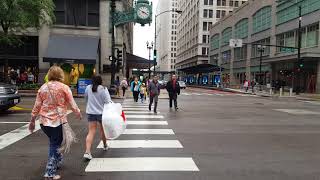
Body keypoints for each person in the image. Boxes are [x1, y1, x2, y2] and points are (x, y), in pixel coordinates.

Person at [28, 66, 82, 180]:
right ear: (60, 75)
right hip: (57, 121)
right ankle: (49, 173)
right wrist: (78, 113)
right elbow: (72, 103)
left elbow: (37, 105)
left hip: (43, 122)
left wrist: (32, 120)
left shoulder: (43, 87)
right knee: (55, 144)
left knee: (55, 142)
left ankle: (57, 160)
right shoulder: (64, 88)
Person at [83, 75, 111, 161]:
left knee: (91, 132)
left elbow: (86, 98)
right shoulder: (103, 89)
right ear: (100, 81)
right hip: (102, 113)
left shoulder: (88, 87)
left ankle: (87, 152)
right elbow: (107, 101)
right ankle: (105, 145)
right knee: (103, 130)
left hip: (91, 112)